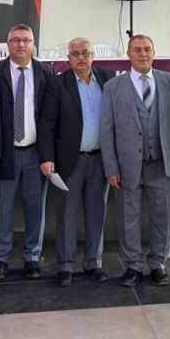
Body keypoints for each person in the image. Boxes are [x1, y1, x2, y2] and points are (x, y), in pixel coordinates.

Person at [100, 35, 170, 287]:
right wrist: (111, 167)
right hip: (127, 166)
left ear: (153, 52)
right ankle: (133, 265)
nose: (143, 54)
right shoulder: (113, 87)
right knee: (128, 217)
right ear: (128, 54)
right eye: (137, 50)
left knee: (162, 217)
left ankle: (158, 263)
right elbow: (106, 130)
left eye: (147, 49)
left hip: (161, 163)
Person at [39, 37, 114, 287]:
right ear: (68, 58)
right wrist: (47, 158)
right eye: (75, 54)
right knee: (66, 215)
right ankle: (66, 265)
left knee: (96, 213)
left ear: (93, 55)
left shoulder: (108, 79)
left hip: (100, 160)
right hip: (68, 161)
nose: (81, 58)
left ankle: (94, 262)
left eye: (85, 53)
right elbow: (47, 124)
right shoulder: (57, 84)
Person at [0, 24, 54, 282]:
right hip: (5, 153)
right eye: (15, 40)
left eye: (26, 40)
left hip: (36, 153)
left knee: (36, 208)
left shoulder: (46, 72)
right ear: (8, 44)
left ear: (33, 44)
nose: (21, 44)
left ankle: (32, 257)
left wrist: (49, 155)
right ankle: (0, 258)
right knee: (2, 209)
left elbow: (50, 117)